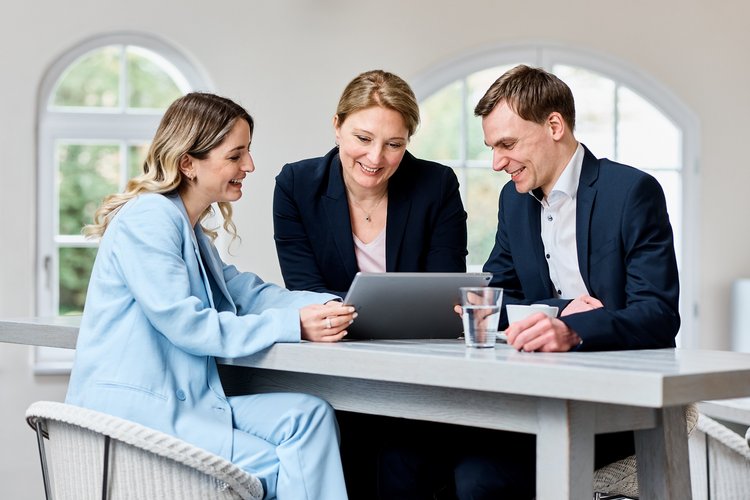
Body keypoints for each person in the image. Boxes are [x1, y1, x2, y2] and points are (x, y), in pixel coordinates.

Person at [379, 65, 680, 499]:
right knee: (399, 458)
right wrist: (559, 312)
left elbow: (657, 314)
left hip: (611, 407)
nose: (497, 162)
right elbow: (496, 296)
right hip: (525, 399)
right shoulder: (513, 201)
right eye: (492, 147)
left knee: (479, 478)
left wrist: (573, 331)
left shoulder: (631, 191)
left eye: (507, 144)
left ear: (554, 125)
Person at [65, 92, 356, 500]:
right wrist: (294, 325)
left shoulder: (188, 228)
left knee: (307, 416)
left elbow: (246, 293)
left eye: (247, 152)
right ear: (188, 162)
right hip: (137, 416)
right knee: (285, 465)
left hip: (183, 405)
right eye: (236, 155)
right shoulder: (150, 219)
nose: (249, 165)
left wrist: (328, 306)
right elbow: (187, 324)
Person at [273, 69, 468, 298]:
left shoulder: (438, 186)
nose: (375, 158)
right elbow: (306, 292)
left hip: (416, 333)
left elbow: (442, 292)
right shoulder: (296, 185)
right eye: (364, 138)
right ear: (337, 126)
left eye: (394, 144)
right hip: (331, 332)